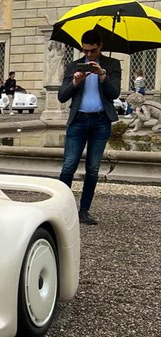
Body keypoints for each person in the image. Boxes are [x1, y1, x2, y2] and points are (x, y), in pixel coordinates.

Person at [58, 28, 121, 225]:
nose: (88, 54)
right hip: (78, 120)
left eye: (92, 51)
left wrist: (102, 76)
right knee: (68, 166)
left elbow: (114, 94)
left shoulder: (112, 65)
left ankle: (83, 211)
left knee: (93, 169)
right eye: (85, 51)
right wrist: (75, 82)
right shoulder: (73, 66)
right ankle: (60, 210)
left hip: (101, 121)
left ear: (100, 47)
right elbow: (62, 96)